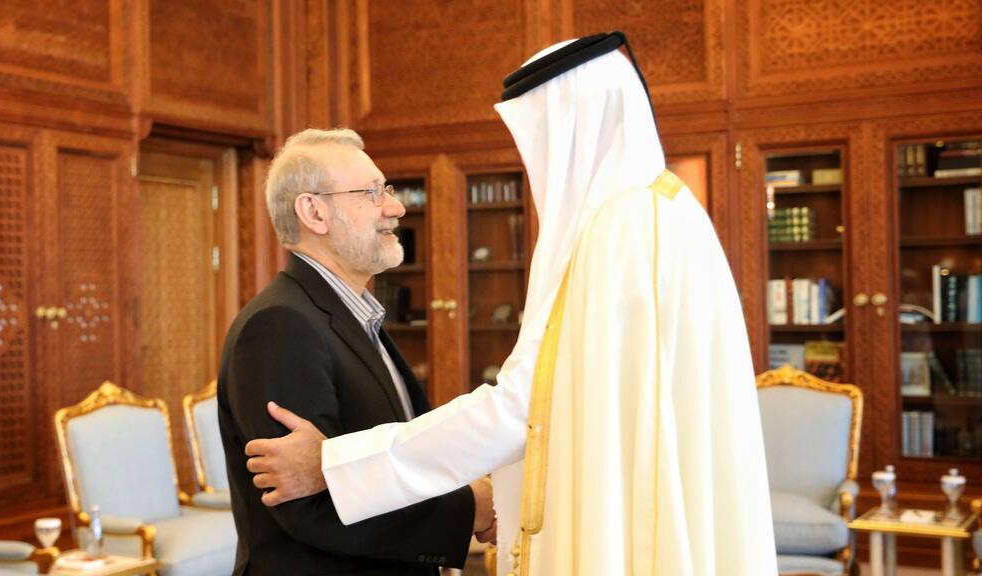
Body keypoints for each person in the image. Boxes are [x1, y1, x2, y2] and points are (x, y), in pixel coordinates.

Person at [244, 33, 778, 575]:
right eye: (372, 192)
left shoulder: (620, 232)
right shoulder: (661, 212)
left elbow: (527, 407)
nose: (397, 207)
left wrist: (334, 464)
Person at [217, 128, 496, 576]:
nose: (396, 207)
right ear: (314, 212)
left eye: (386, 189)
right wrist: (468, 510)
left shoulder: (353, 315)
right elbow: (310, 505)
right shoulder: (279, 326)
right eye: (372, 192)